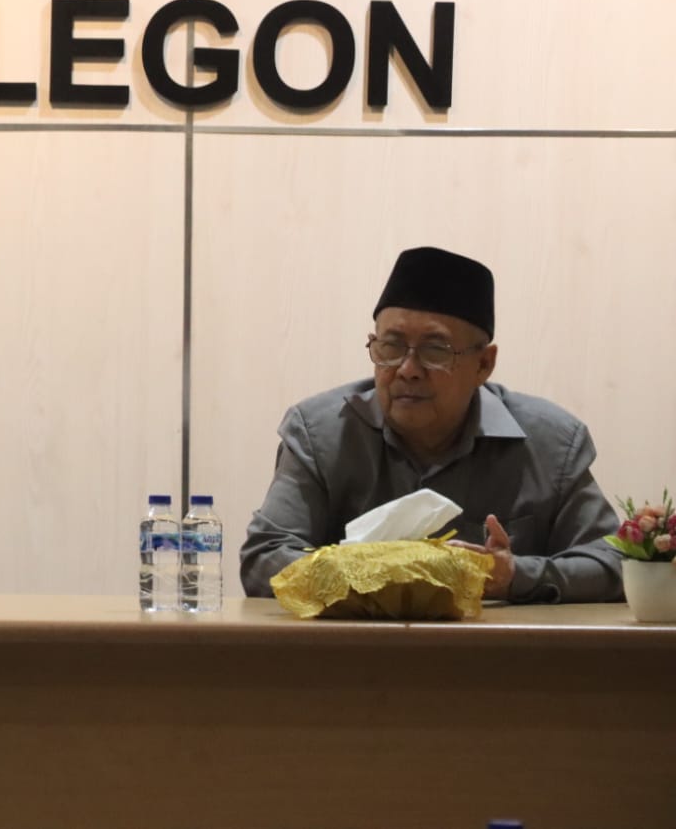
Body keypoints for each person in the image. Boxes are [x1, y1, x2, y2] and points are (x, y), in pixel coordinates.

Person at [240, 246, 622, 604]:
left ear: (484, 365)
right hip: (355, 651)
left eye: (435, 351)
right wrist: (372, 572)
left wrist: (512, 575)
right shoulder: (320, 433)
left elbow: (615, 564)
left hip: (494, 652)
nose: (408, 370)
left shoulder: (550, 444)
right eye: (390, 347)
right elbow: (264, 558)